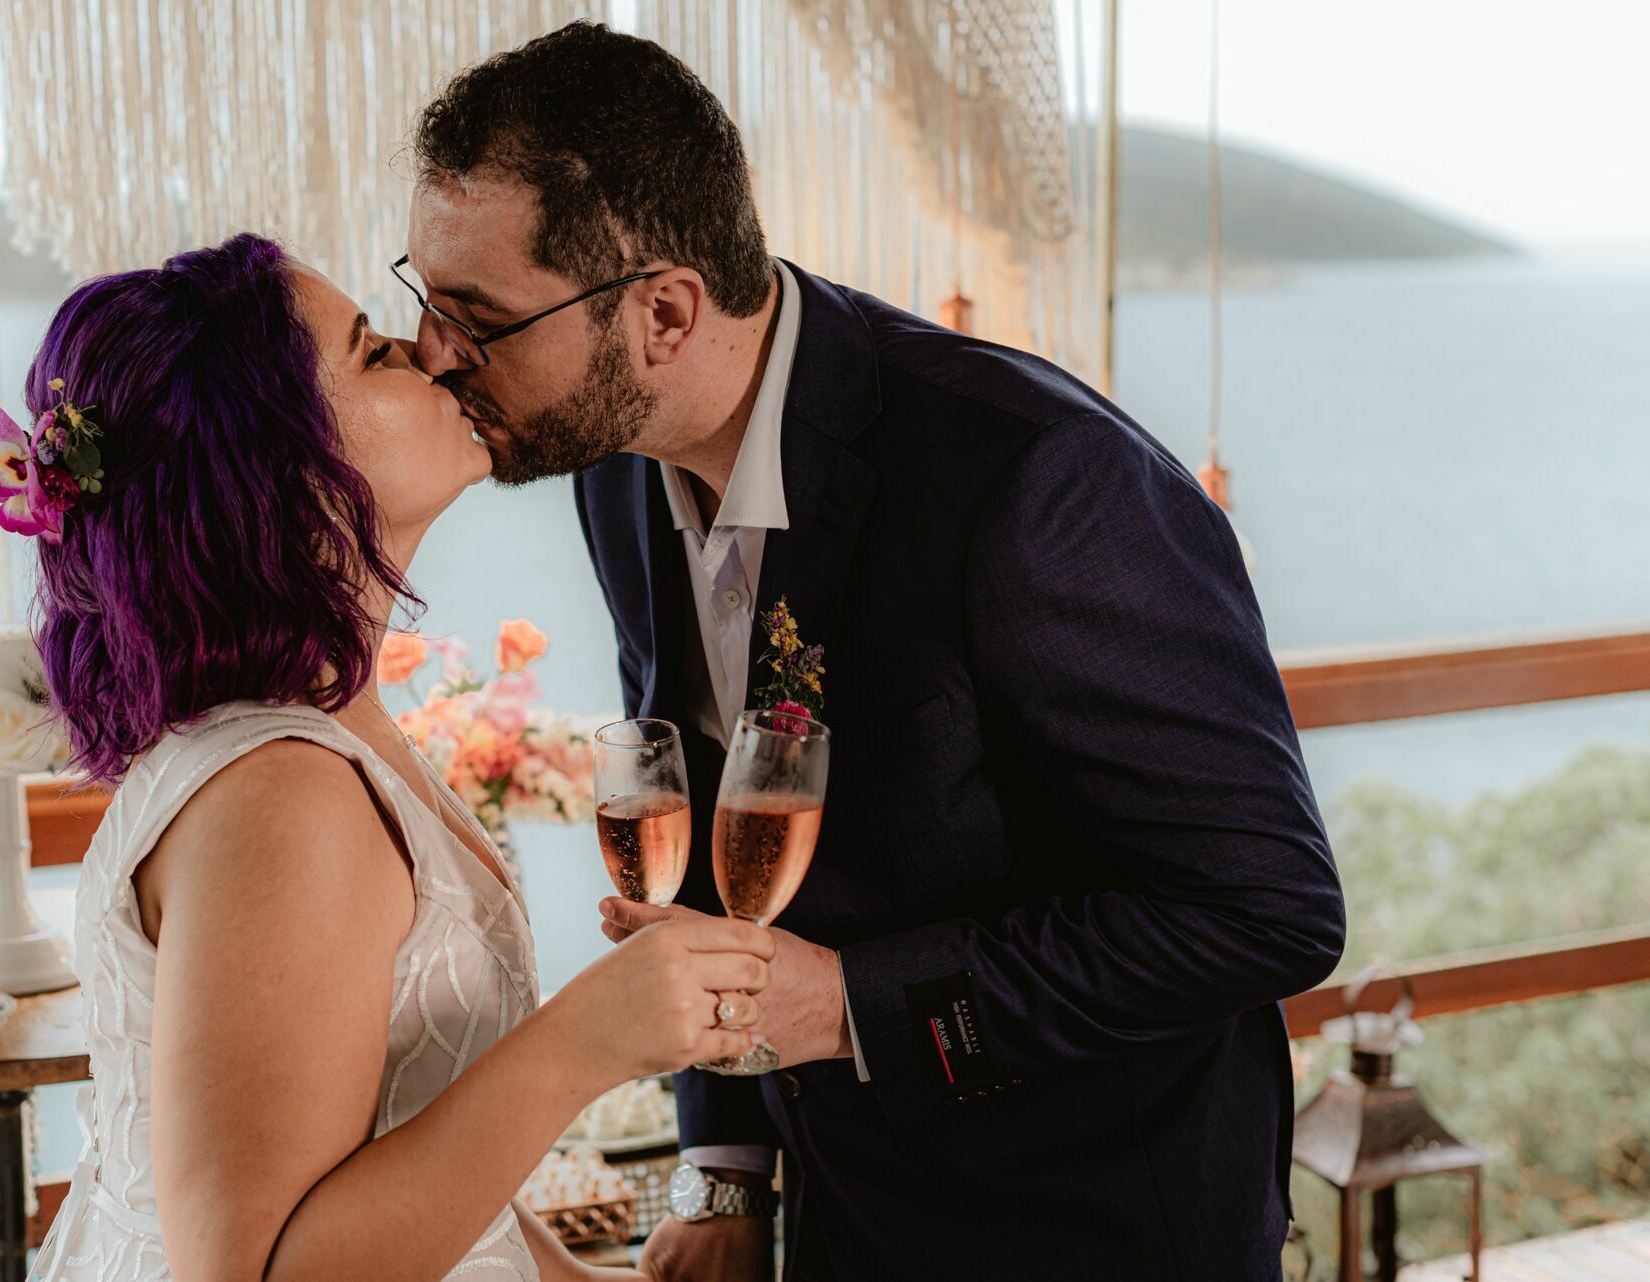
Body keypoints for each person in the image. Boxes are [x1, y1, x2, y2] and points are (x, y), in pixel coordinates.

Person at [402, 23, 1346, 1281]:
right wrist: (724, 1172)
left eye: (480, 319)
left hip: (1095, 1227)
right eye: (422, 300)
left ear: (666, 314)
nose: (432, 356)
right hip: (842, 1223)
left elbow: (1267, 911)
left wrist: (853, 1006)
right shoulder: (619, 472)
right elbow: (711, 835)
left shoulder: (1037, 481)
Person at [0, 232, 776, 1282]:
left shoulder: (324, 719)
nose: (431, 352)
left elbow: (386, 1135)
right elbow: (256, 1269)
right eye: (369, 351)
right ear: (282, 464)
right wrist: (587, 1041)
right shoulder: (283, 798)